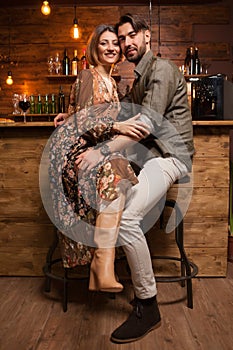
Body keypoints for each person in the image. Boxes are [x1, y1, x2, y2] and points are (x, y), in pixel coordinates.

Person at [76, 14, 194, 343]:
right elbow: (120, 112)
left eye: (130, 37)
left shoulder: (162, 70)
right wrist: (74, 116)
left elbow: (145, 125)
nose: (126, 44)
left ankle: (147, 303)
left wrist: (99, 152)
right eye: (121, 39)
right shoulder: (140, 77)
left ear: (146, 36)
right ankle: (112, 269)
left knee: (127, 219)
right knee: (109, 195)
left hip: (171, 157)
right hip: (150, 158)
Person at [51, 24, 149, 294]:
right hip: (75, 156)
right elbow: (86, 121)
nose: (111, 48)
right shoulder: (88, 75)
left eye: (115, 44)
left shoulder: (112, 83)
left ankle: (102, 265)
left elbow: (81, 113)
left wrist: (68, 115)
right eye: (104, 43)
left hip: (93, 153)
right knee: (117, 167)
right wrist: (118, 127)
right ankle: (102, 265)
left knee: (119, 167)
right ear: (95, 48)